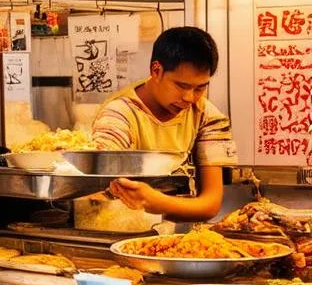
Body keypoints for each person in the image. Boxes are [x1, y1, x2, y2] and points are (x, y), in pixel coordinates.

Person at [92, 26, 238, 221]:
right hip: (123, 232)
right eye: (181, 86)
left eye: (200, 88)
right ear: (156, 70)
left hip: (186, 238)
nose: (189, 98)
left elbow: (211, 204)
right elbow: (103, 190)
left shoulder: (206, 115)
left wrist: (157, 203)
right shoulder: (118, 115)